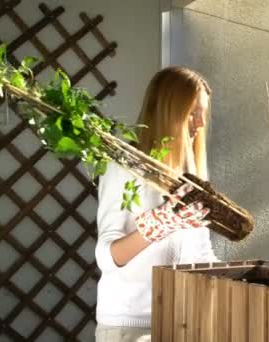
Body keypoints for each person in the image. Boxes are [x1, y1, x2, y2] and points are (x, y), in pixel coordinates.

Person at [94, 66, 218, 342]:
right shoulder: (124, 168)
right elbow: (107, 256)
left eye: (203, 114)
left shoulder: (189, 182)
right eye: (192, 113)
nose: (199, 124)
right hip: (130, 328)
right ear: (168, 110)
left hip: (182, 325)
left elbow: (200, 254)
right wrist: (156, 227)